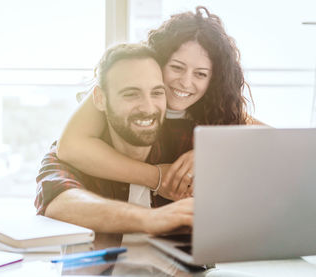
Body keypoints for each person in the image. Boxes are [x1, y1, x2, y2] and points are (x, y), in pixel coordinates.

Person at [56, 6, 263, 202]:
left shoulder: (213, 108)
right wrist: (157, 177)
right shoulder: (122, 93)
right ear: (158, 61)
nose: (185, 82)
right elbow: (69, 147)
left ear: (213, 80)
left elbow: (269, 138)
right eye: (176, 67)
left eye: (200, 74)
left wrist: (210, 150)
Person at [35, 43, 193, 234]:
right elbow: (60, 204)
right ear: (100, 99)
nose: (148, 108)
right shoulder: (69, 155)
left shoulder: (185, 149)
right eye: (131, 94)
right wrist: (152, 218)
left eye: (157, 93)